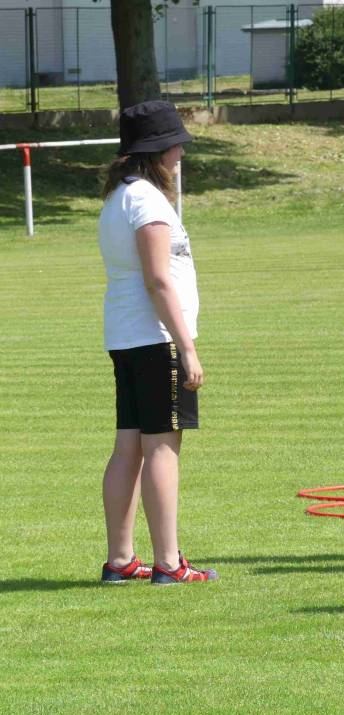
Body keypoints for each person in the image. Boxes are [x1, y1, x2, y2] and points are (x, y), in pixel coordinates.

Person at [99, 100, 217, 585]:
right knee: (163, 448)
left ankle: (121, 560)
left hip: (128, 337)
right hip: (156, 339)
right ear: (156, 150)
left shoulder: (118, 197)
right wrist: (186, 346)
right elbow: (158, 279)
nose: (180, 154)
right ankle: (169, 562)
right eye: (175, 145)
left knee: (128, 448)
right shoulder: (146, 201)